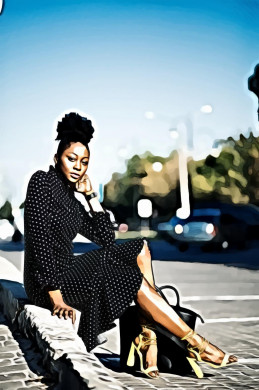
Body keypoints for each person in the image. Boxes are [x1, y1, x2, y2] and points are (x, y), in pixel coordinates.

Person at [23, 112, 238, 380]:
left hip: (69, 271)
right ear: (57, 159)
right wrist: (55, 297)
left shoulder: (73, 198)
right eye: (71, 159)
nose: (78, 166)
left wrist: (92, 198)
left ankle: (147, 334)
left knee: (139, 247)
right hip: (47, 282)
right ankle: (194, 343)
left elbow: (106, 239)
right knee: (129, 279)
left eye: (84, 161)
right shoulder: (41, 182)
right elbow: (39, 239)